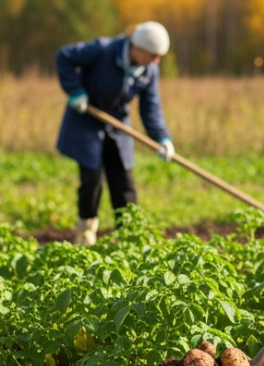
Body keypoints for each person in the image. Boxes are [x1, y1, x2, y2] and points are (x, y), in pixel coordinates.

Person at [56, 22, 175, 245]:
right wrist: (75, 91)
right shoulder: (103, 49)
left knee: (123, 181)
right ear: (138, 48)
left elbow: (151, 106)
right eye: (154, 55)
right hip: (87, 120)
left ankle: (129, 235)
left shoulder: (149, 70)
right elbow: (65, 57)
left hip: (117, 125)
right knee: (92, 179)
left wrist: (162, 137)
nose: (157, 61)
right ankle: (85, 233)